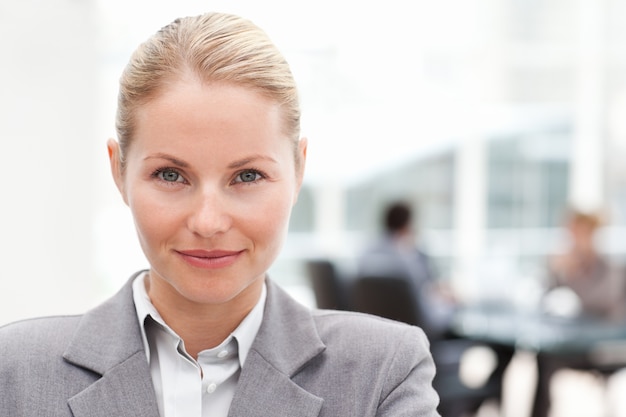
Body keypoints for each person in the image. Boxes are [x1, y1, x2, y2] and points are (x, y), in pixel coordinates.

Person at [0, 12, 441, 417]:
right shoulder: (16, 371)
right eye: (171, 174)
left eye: (247, 176)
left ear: (298, 168)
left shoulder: (382, 370)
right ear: (118, 171)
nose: (208, 222)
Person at [532, 208, 626, 417]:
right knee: (543, 356)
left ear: (592, 233)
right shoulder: (572, 264)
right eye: (570, 233)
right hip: (581, 343)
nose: (573, 238)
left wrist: (576, 274)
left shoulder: (612, 266)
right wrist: (555, 270)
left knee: (547, 359)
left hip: (610, 347)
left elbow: (603, 302)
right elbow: (544, 297)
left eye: (577, 232)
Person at [356, 201, 456, 338]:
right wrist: (451, 305)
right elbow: (423, 301)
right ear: (407, 225)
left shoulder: (366, 255)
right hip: (416, 335)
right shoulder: (406, 260)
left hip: (377, 332)